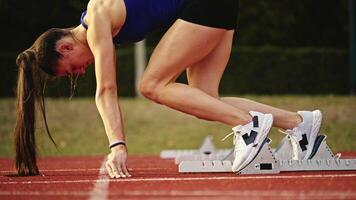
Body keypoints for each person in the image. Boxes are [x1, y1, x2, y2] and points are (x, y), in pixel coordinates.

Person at [14, 0, 323, 178]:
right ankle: (300, 124)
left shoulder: (97, 17)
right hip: (215, 6)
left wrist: (117, 145)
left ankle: (249, 126)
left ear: (66, 47)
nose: (80, 71)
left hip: (204, 4)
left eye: (72, 68)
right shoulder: (98, 21)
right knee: (205, 97)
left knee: (150, 84)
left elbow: (106, 89)